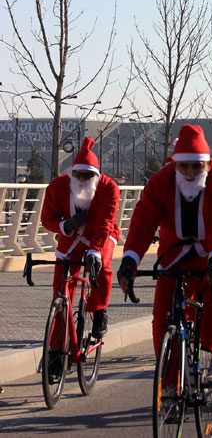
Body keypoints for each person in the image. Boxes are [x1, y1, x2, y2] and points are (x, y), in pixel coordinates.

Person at [117, 124, 212, 387]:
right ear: (175, 165)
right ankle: (171, 383)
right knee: (163, 313)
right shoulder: (160, 182)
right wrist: (130, 259)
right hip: (175, 253)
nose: (189, 172)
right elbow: (143, 221)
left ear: (207, 164)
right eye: (183, 166)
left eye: (197, 166)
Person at [41, 137, 120, 379]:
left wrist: (95, 250)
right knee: (60, 294)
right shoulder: (57, 187)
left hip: (101, 234)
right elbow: (47, 219)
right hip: (71, 237)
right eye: (78, 175)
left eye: (88, 175)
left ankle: (99, 310)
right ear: (71, 173)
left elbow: (107, 222)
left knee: (101, 265)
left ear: (96, 175)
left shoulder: (109, 188)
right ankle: (55, 353)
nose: (83, 180)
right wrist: (65, 225)